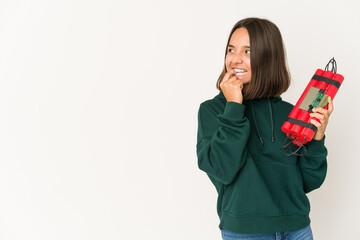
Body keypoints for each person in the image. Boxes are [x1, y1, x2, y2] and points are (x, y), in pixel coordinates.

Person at [196, 17, 333, 240]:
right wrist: (233, 107)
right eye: (231, 50)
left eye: (248, 52)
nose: (235, 60)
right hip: (245, 233)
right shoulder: (213, 111)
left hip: (298, 229)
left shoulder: (291, 112)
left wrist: (317, 139)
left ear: (269, 57)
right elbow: (222, 169)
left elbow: (309, 181)